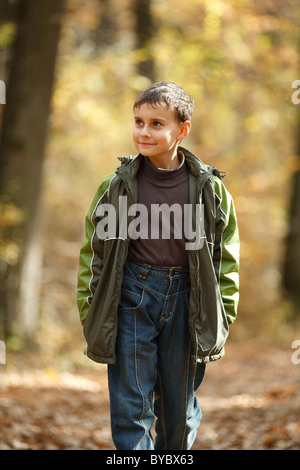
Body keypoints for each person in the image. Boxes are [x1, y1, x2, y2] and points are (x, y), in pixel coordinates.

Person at [77, 81, 239, 450]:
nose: (143, 132)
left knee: (178, 411)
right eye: (138, 121)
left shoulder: (208, 190)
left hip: (189, 299)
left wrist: (224, 311)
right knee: (131, 404)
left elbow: (226, 255)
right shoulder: (116, 187)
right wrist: (91, 309)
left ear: (182, 130)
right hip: (130, 296)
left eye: (156, 123)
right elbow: (95, 252)